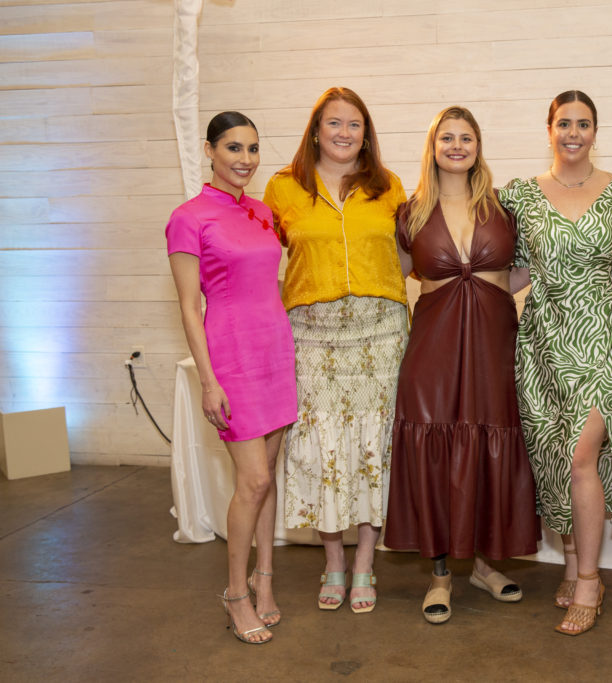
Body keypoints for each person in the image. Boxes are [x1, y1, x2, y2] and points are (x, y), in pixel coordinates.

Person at [384, 106, 539, 625]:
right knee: (437, 446)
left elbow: (521, 272)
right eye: (446, 138)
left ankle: (483, 566)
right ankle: (442, 574)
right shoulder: (409, 213)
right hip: (433, 344)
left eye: (465, 137)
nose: (456, 146)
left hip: (493, 342)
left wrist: (486, 292)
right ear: (432, 146)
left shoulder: (504, 207)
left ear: (478, 146)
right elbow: (394, 277)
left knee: (488, 443)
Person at [499, 90, 612, 636]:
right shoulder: (522, 196)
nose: (573, 132)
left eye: (583, 124)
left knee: (583, 452)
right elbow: (511, 276)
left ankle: (589, 579)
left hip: (602, 334)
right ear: (549, 128)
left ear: (595, 130)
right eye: (564, 123)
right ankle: (569, 557)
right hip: (541, 340)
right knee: (555, 453)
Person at [263, 88, 408, 614]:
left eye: (355, 125)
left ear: (366, 134)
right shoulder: (282, 188)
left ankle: (366, 563)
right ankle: (333, 562)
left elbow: (405, 259)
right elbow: (261, 258)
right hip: (311, 334)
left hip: (380, 334)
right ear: (315, 129)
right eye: (334, 123)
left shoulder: (388, 187)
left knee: (372, 449)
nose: (344, 133)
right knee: (324, 449)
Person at [166, 111, 297, 644]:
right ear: (209, 151)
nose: (245, 160)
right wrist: (208, 379)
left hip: (275, 353)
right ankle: (235, 593)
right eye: (234, 148)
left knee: (268, 478)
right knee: (254, 481)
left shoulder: (263, 212)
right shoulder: (188, 217)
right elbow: (187, 305)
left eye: (252, 149)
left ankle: (264, 582)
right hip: (232, 358)